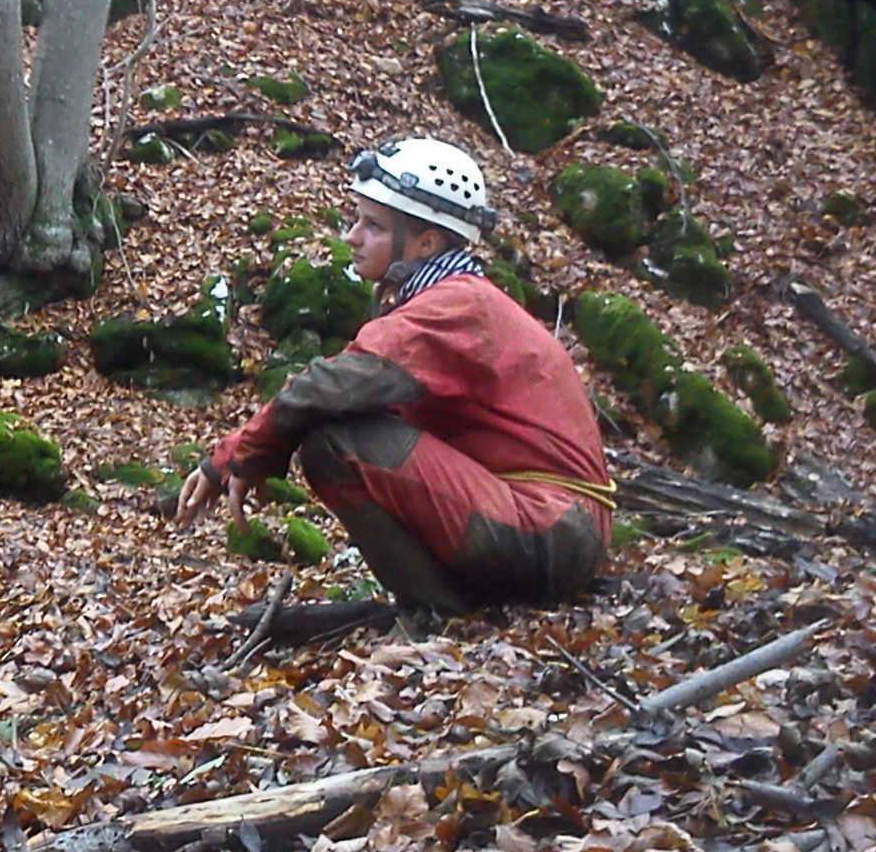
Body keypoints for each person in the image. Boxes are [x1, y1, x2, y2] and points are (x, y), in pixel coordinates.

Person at [175, 136, 613, 628]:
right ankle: (439, 607)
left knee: (335, 440)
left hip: (551, 530)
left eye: (374, 226)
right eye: (357, 220)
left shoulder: (458, 305)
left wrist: (235, 456)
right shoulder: (450, 301)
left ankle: (434, 615)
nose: (353, 237)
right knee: (345, 423)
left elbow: (328, 385)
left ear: (427, 241)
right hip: (548, 527)